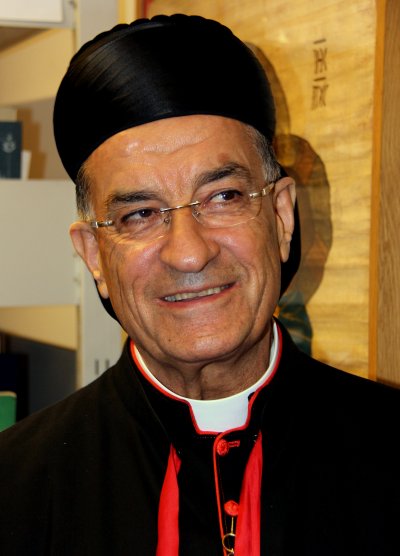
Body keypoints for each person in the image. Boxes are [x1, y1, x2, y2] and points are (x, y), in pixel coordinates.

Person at [0, 14, 399, 556]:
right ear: (94, 255)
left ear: (282, 216)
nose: (189, 252)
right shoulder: (17, 488)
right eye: (140, 214)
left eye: (224, 197)